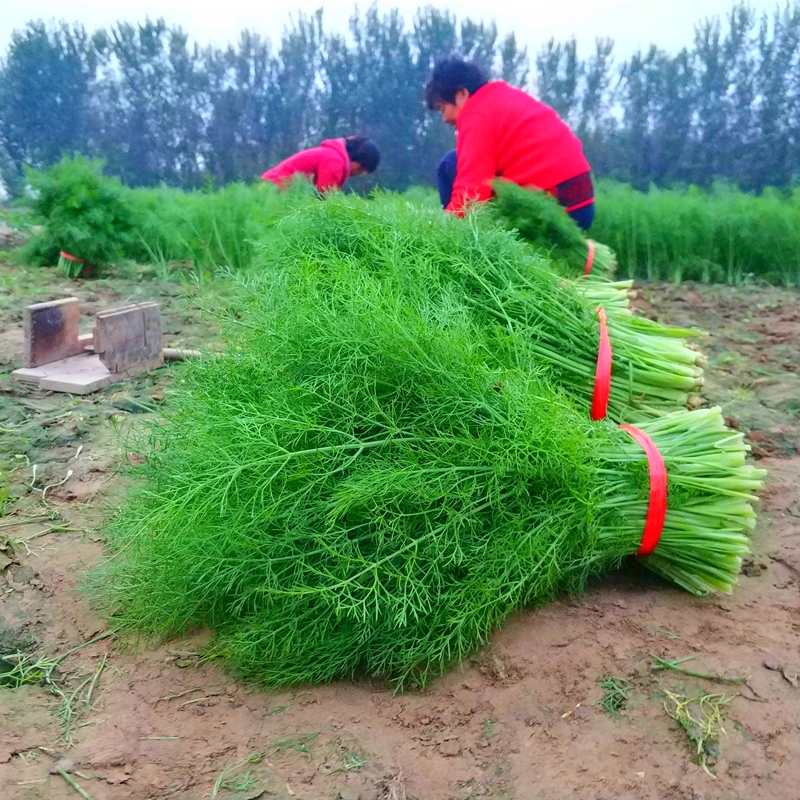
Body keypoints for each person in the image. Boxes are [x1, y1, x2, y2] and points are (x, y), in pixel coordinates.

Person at [426, 58, 595, 230]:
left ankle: (460, 247)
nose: (445, 118)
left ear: (462, 94)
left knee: (450, 165)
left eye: (442, 108)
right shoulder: (501, 98)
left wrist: (440, 231)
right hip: (582, 203)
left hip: (554, 209)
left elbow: (472, 193)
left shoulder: (476, 114)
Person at [261, 135, 380, 193]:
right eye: (360, 169)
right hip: (273, 192)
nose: (356, 173)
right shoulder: (335, 162)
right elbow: (323, 200)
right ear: (357, 160)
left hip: (270, 189)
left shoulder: (333, 156)